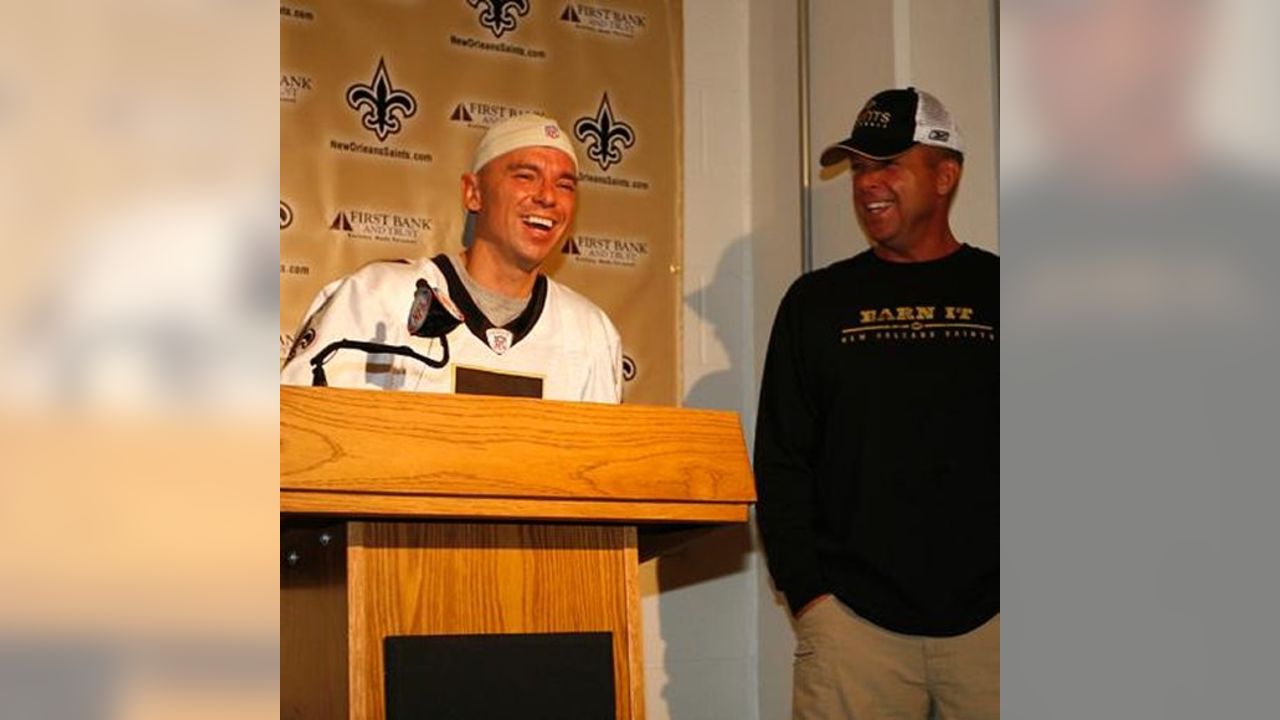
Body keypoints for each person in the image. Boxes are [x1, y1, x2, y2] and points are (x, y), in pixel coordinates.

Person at [754, 87, 999, 719]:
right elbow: (781, 462)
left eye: (889, 164)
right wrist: (811, 598)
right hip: (852, 636)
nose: (868, 184)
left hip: (997, 632)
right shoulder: (815, 303)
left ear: (946, 174)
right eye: (860, 168)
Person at [281, 114, 622, 403]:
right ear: (473, 193)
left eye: (565, 185)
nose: (547, 196)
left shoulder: (591, 332)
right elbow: (298, 435)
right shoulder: (378, 297)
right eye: (525, 176)